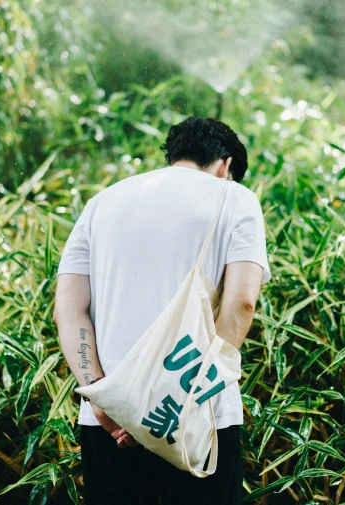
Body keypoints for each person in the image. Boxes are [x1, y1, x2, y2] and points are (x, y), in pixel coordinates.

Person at [53, 116, 272, 505]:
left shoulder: (101, 204)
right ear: (226, 166)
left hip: (110, 426)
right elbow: (242, 302)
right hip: (197, 421)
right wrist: (181, 404)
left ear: (175, 155)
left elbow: (68, 311)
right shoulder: (236, 198)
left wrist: (103, 399)